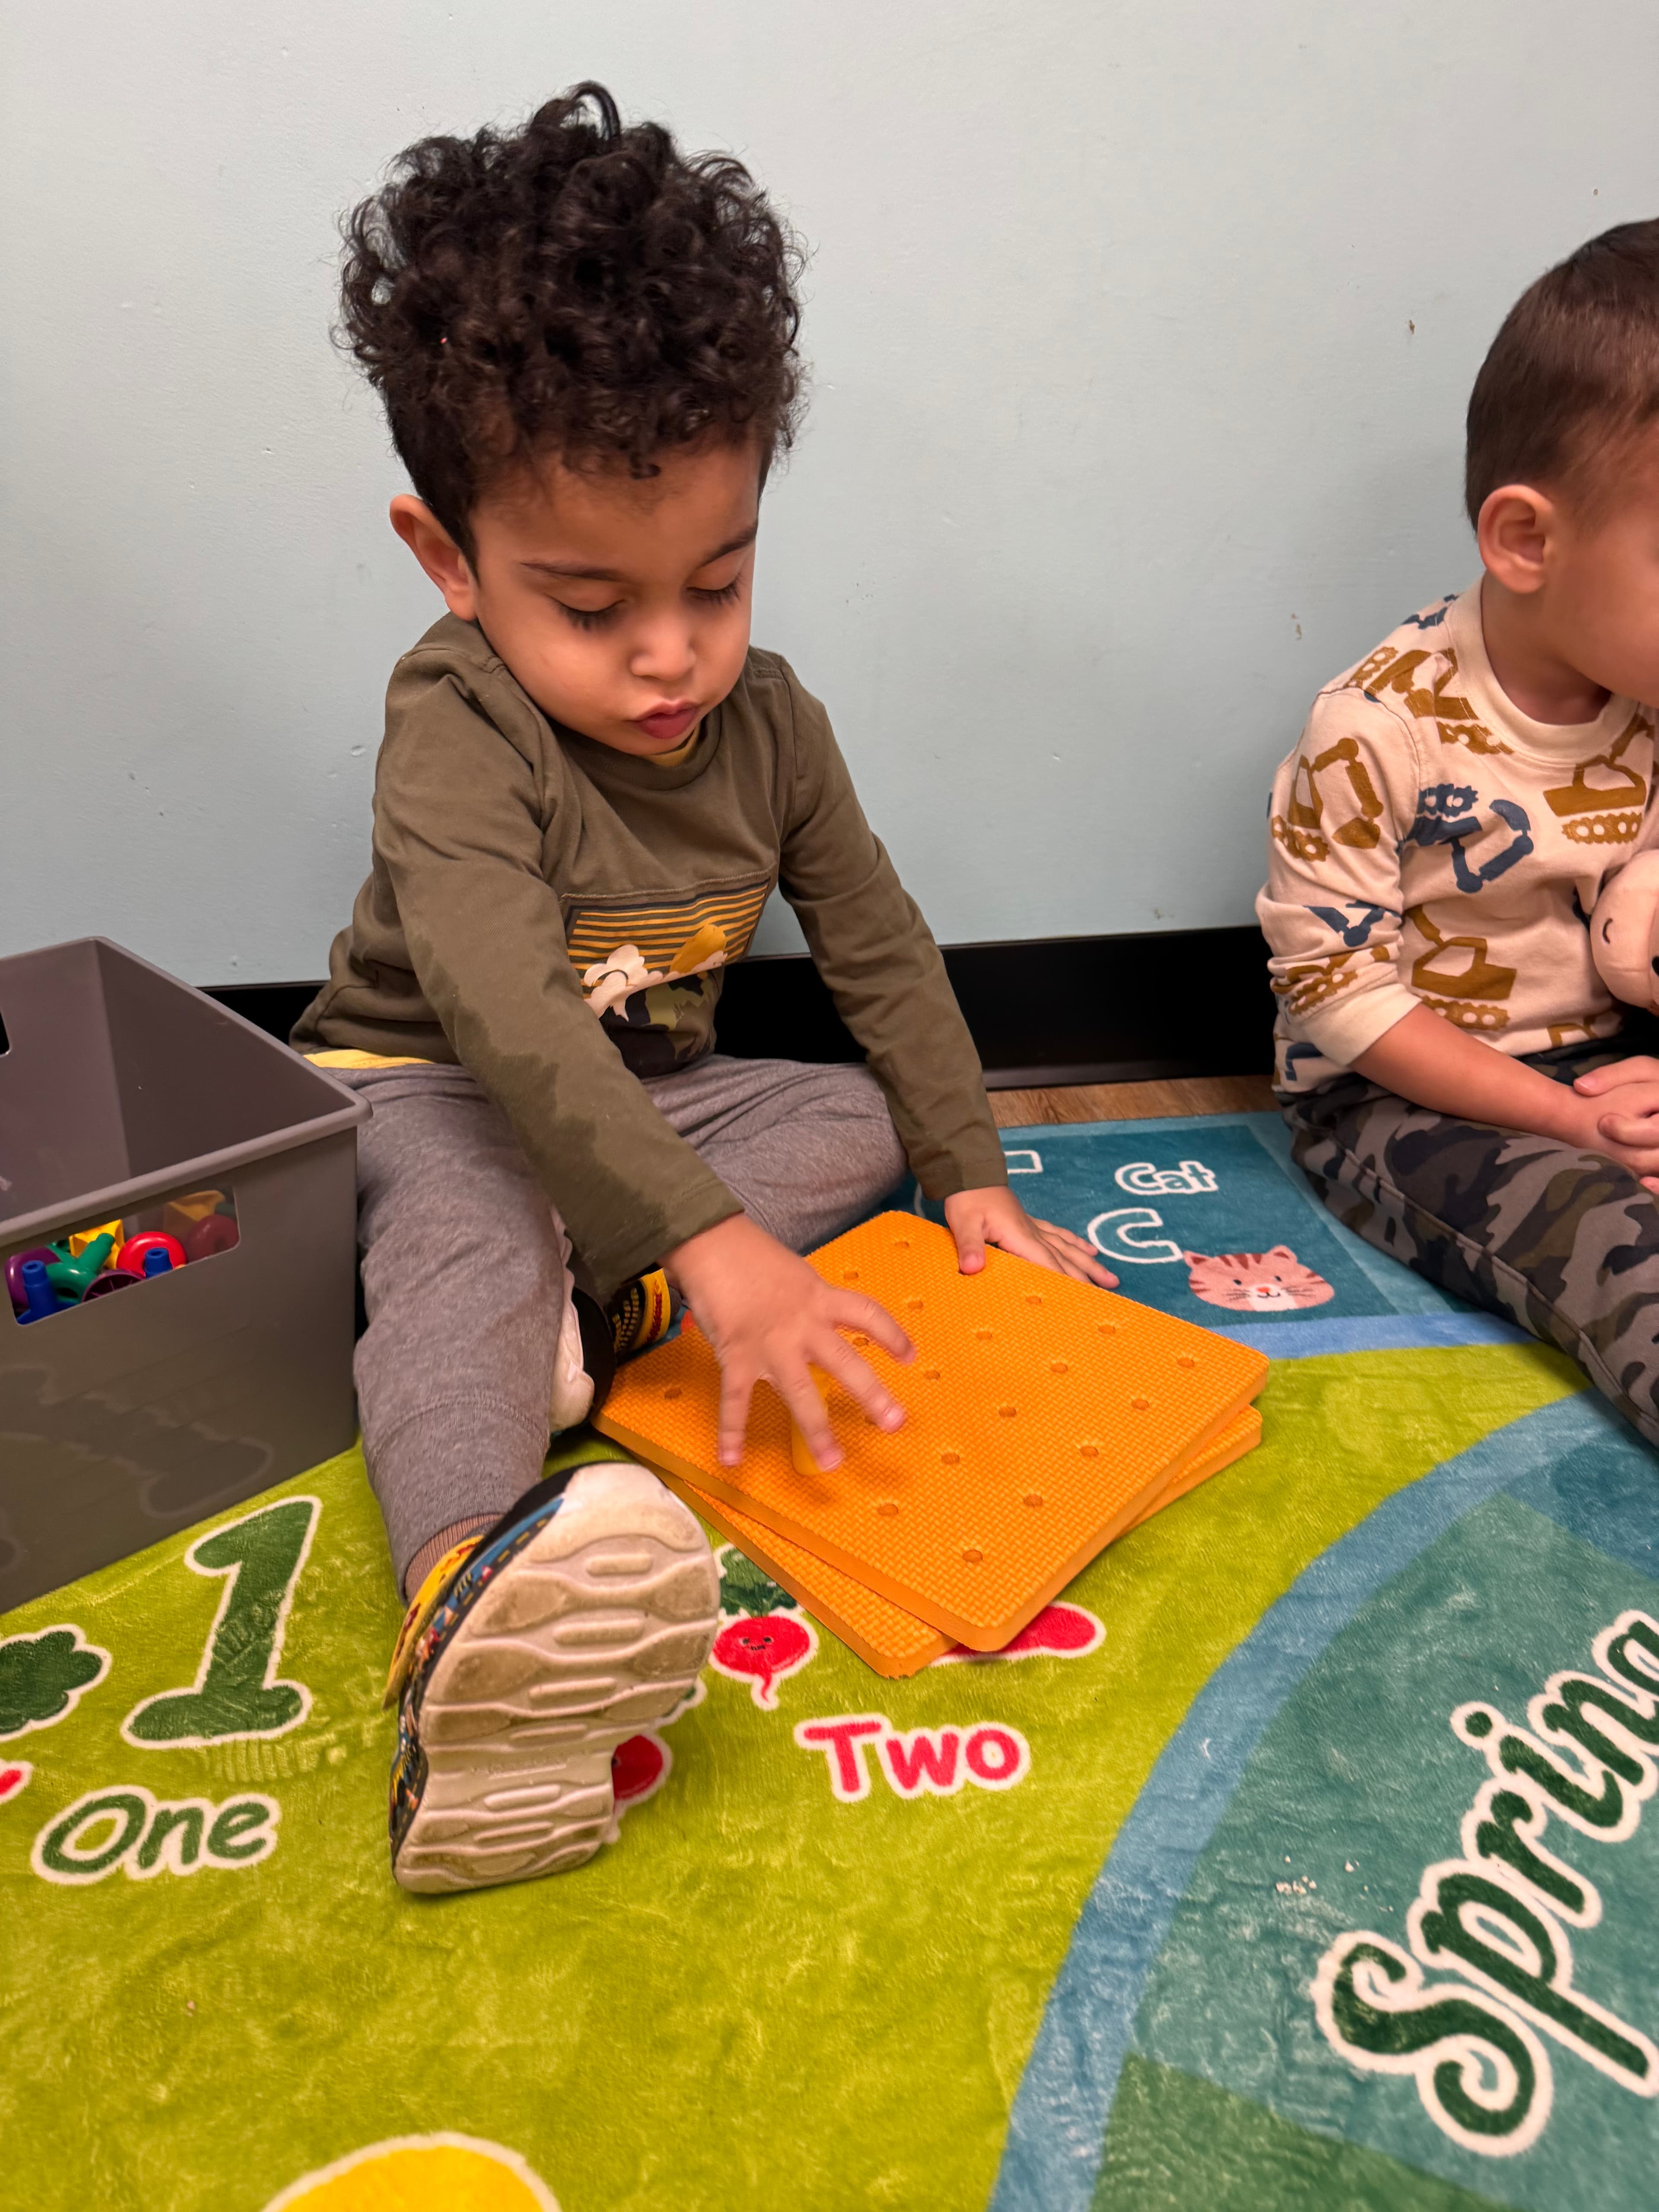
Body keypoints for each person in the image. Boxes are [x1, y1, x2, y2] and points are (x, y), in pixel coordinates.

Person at [292, 83, 1111, 1895]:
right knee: (467, 1229)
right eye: (592, 609)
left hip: (647, 1099)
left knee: (854, 1116)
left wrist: (972, 1170)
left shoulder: (776, 722)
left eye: (718, 585)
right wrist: (719, 1249)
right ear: (449, 559)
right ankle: (467, 1597)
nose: (670, 656)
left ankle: (591, 1312)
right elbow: (507, 1018)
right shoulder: (452, 721)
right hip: (420, 1084)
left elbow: (876, 938)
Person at [1258, 220, 1659, 1448]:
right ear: (1529, 540)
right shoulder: (1376, 729)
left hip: (1618, 1055)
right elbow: (1341, 998)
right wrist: (1571, 1123)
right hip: (1407, 1097)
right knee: (1612, 1245)